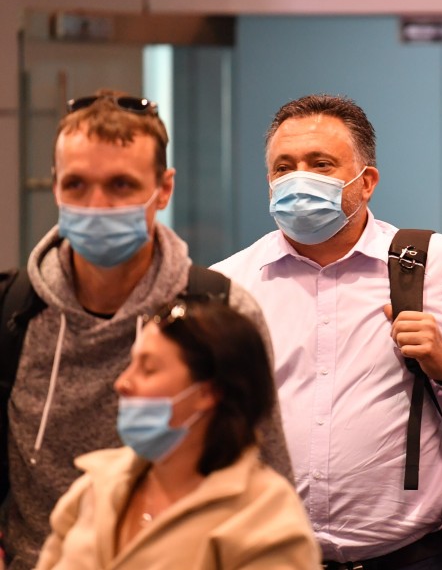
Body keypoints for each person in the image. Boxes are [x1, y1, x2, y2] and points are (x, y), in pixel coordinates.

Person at [211, 94, 442, 569]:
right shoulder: (231, 285)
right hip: (268, 555)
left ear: (366, 181)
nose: (298, 179)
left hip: (409, 557)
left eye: (321, 163)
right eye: (283, 167)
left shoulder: (434, 267)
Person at [0, 90, 292, 570]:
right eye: (76, 185)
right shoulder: (15, 311)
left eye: (120, 185)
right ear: (54, 186)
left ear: (164, 188)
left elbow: (267, 484)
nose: (96, 206)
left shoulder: (219, 313)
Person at [35, 296, 320, 569]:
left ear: (208, 392)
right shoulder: (96, 485)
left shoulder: (263, 516)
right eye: (130, 364)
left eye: (147, 369)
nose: (122, 383)